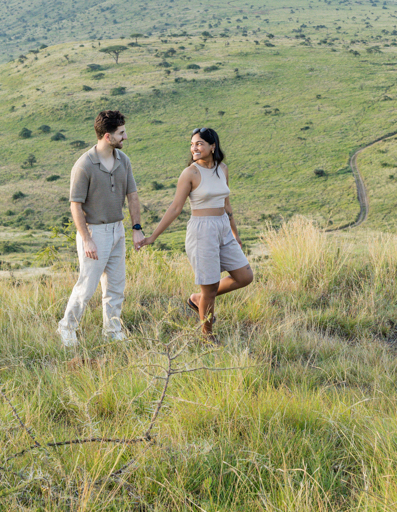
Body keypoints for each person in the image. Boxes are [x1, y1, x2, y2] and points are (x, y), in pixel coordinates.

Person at [141, 127, 253, 340]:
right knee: (210, 289)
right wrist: (153, 236)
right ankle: (207, 337)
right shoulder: (190, 173)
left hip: (222, 227)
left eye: (199, 143)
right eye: (192, 144)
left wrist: (235, 233)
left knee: (245, 276)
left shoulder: (223, 169)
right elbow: (175, 208)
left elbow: (227, 204)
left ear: (213, 146)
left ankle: (197, 299)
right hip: (202, 231)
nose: (194, 148)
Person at [58, 110, 145, 346]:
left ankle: (113, 331)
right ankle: (67, 327)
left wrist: (136, 227)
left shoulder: (123, 160)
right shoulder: (84, 165)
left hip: (118, 230)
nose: (125, 137)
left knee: (116, 286)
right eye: (121, 133)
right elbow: (75, 205)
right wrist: (86, 239)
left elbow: (132, 196)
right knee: (87, 286)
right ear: (107, 136)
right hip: (95, 232)